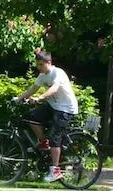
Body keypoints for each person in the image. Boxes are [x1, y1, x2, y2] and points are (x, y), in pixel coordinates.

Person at [14, 50, 79, 183]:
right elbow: (33, 88)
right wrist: (19, 98)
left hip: (65, 108)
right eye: (37, 64)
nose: (39, 67)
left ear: (49, 63)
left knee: (55, 138)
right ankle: (44, 142)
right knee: (33, 117)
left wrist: (40, 98)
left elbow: (54, 88)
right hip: (53, 105)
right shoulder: (43, 75)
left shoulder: (58, 73)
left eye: (41, 65)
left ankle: (55, 171)